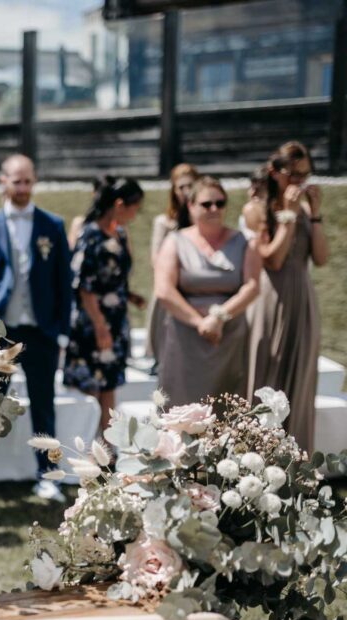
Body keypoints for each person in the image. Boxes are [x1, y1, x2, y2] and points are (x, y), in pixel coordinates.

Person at [0, 154, 72, 505]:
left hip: (41, 330)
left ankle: (49, 475)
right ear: (4, 182)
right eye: (17, 181)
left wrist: (60, 329)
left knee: (45, 406)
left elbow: (64, 282)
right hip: (1, 330)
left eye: (28, 181)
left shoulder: (53, 225)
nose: (23, 187)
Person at [244, 142, 329, 452]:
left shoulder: (306, 210)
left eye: (305, 175)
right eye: (293, 175)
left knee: (301, 378)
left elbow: (320, 258)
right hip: (270, 298)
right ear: (274, 172)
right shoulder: (256, 209)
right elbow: (274, 260)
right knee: (268, 374)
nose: (299, 182)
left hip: (302, 297)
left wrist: (315, 215)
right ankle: (254, 460)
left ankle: (295, 464)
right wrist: (289, 217)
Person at [155, 176, 261, 406]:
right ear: (191, 206)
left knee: (227, 407)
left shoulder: (245, 241)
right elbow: (164, 290)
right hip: (185, 336)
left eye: (220, 203)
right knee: (180, 405)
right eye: (206, 204)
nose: (214, 209)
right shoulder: (175, 240)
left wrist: (219, 317)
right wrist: (200, 323)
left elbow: (252, 286)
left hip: (229, 335)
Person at [63, 177, 144, 435]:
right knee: (91, 384)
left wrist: (129, 295)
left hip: (115, 318)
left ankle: (108, 446)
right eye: (134, 207)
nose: (136, 214)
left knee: (109, 384)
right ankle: (87, 444)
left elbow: (112, 275)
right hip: (94, 320)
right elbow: (85, 286)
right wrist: (100, 327)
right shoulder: (91, 235)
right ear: (120, 204)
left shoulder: (118, 233)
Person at [146, 164, 198, 362]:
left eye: (190, 186)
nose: (185, 193)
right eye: (181, 188)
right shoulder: (164, 222)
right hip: (171, 287)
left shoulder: (205, 219)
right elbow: (155, 259)